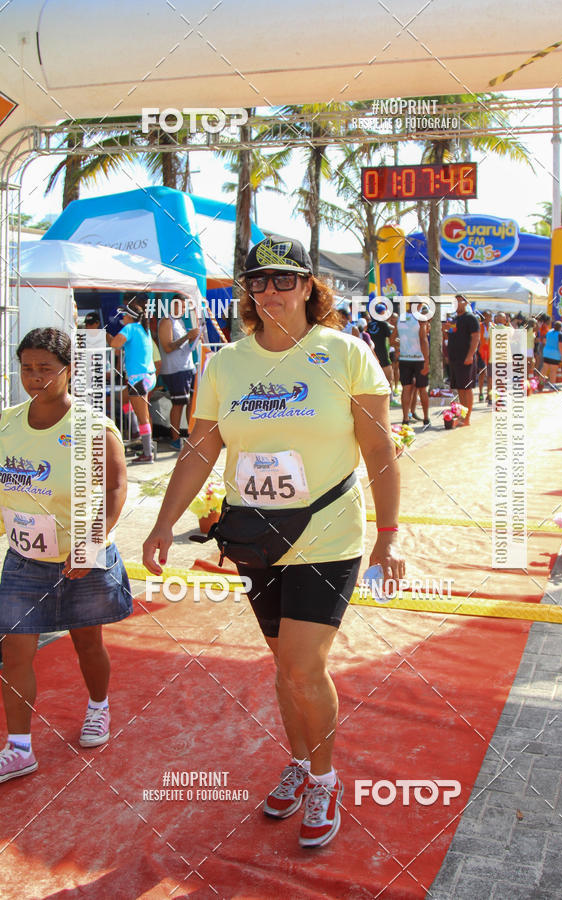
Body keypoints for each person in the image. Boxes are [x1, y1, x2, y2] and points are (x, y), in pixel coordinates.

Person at [142, 235, 404, 849]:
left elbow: (379, 449)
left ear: (310, 286)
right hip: (255, 536)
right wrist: (161, 523)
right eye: (258, 282)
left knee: (302, 666)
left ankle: (324, 777)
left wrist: (388, 537)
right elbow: (202, 448)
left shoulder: (345, 354)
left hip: (327, 532)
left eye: (285, 281)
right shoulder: (225, 363)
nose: (270, 293)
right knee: (284, 672)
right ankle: (300, 759)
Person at [0, 328, 131, 783]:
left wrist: (90, 544)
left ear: (68, 370)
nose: (34, 378)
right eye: (27, 368)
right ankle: (18, 747)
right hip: (23, 561)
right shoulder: (6, 423)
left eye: (45, 368)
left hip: (81, 557)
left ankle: (99, 707)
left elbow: (114, 487)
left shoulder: (91, 428)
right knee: (14, 652)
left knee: (87, 644)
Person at [107, 294, 156, 464]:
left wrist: (106, 335)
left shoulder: (130, 328)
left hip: (139, 378)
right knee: (125, 400)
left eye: (124, 315)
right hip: (148, 377)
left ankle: (147, 453)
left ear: (130, 317)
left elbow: (114, 344)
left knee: (143, 417)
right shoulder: (144, 329)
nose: (122, 318)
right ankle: (137, 435)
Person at [158, 294, 199, 451]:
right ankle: (175, 439)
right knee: (179, 403)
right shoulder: (167, 321)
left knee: (190, 402)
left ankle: (190, 435)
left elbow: (182, 344)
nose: (182, 309)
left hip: (187, 367)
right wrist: (187, 337)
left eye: (184, 307)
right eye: (179, 306)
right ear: (171, 305)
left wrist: (192, 339)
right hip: (175, 369)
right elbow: (168, 347)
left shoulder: (179, 321)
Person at [394, 305, 430, 428]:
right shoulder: (421, 317)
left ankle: (405, 419)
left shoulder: (401, 318)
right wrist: (426, 361)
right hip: (418, 358)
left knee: (406, 389)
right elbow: (423, 339)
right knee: (422, 389)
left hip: (404, 358)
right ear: (419, 305)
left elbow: (393, 338)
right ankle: (426, 418)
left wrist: (402, 346)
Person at [447, 295, 479, 425]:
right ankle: (462, 416)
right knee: (459, 388)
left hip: (466, 358)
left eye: (459, 301)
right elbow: (452, 334)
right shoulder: (454, 319)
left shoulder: (471, 318)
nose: (456, 303)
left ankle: (467, 419)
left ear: (465, 303)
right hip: (454, 358)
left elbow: (476, 338)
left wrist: (470, 355)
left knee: (467, 388)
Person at [366, 304, 395, 398]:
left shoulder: (369, 325)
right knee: (389, 379)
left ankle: (376, 398)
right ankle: (390, 399)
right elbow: (391, 339)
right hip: (383, 355)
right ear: (381, 313)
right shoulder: (383, 324)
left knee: (374, 380)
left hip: (371, 355)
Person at [540, 320, 562, 389]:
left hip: (546, 353)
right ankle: (552, 385)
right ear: (560, 328)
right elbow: (561, 346)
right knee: (553, 371)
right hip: (555, 355)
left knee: (544, 370)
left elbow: (544, 341)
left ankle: (540, 384)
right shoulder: (561, 335)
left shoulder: (549, 332)